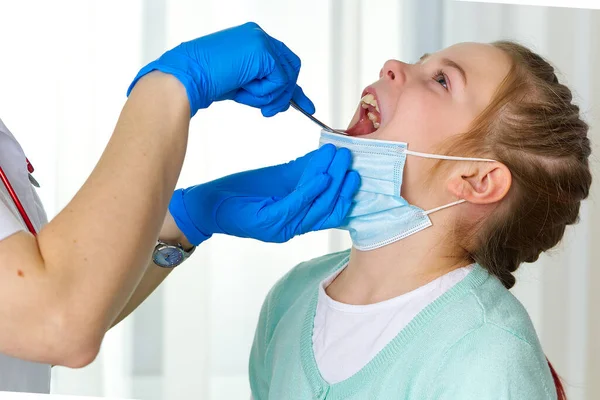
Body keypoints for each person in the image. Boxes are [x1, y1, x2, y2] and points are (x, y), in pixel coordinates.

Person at [0, 22, 359, 393]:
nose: (390, 67)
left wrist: (185, 222)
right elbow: (54, 322)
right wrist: (168, 88)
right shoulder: (292, 305)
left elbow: (43, 317)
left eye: (428, 75)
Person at [248, 40, 591, 399]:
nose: (391, 64)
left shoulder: (487, 357)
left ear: (477, 179)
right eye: (421, 62)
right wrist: (183, 231)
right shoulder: (291, 296)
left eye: (441, 80)